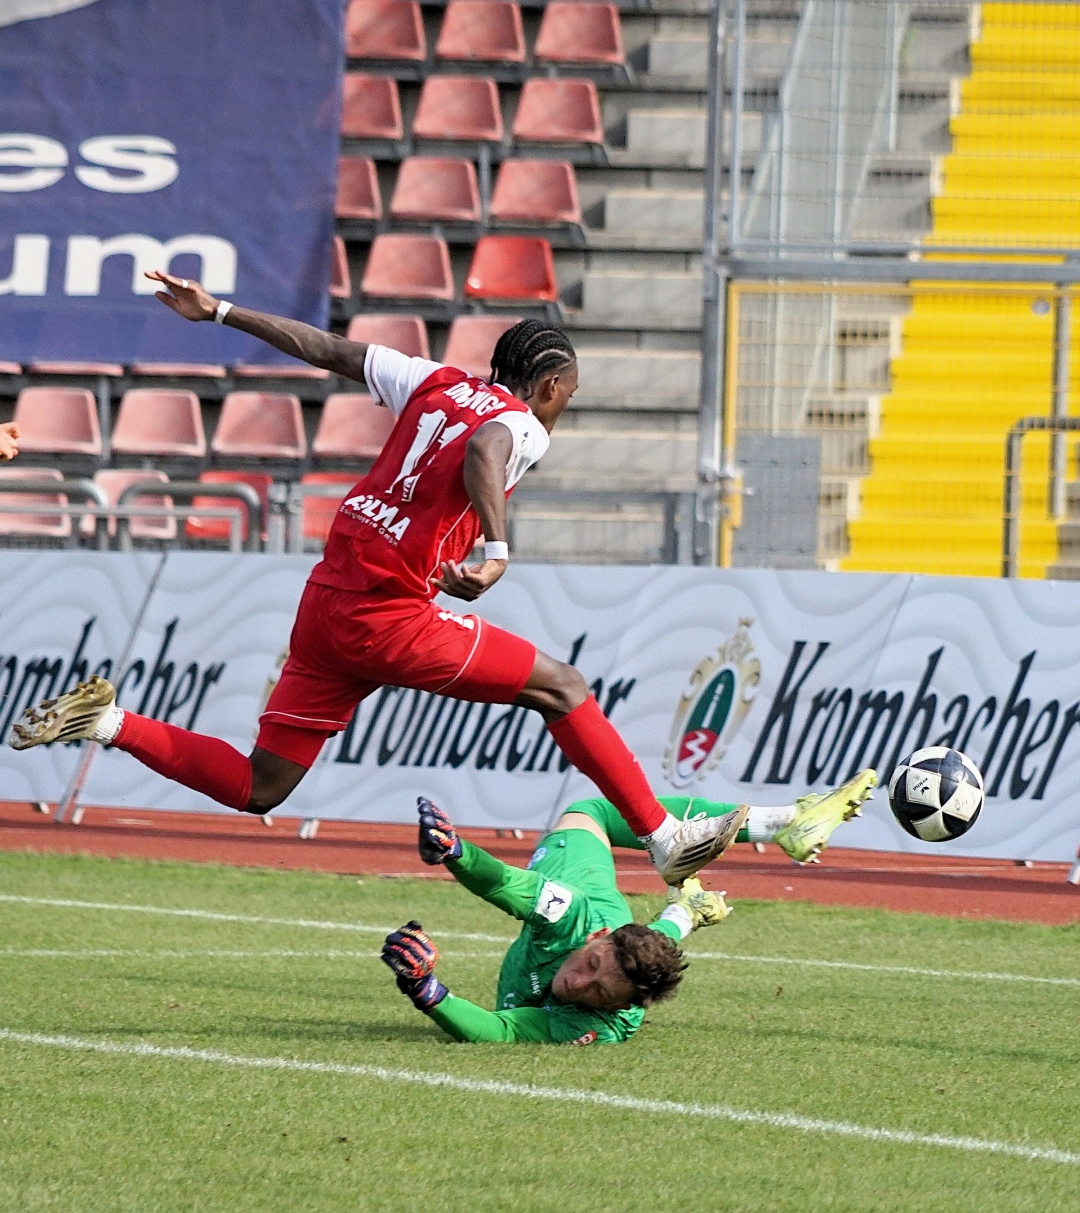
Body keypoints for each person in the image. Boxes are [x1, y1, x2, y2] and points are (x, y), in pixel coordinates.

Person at [8, 270, 736, 886]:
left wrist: (220, 311)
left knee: (263, 784)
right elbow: (486, 449)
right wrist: (497, 548)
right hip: (389, 616)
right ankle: (662, 837)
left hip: (326, 604)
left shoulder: (434, 380)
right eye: (566, 396)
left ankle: (107, 722)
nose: (562, 409)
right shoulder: (521, 424)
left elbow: (325, 348)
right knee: (563, 688)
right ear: (549, 386)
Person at [382, 775, 873, 1044]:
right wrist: (455, 852)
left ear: (620, 1007)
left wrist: (426, 990)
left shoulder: (607, 1023)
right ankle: (778, 823)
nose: (579, 984)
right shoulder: (571, 916)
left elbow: (502, 1029)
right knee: (588, 813)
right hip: (586, 883)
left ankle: (687, 911)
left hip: (626, 941)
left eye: (599, 991)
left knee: (660, 942)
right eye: (590, 965)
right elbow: (506, 884)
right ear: (595, 941)